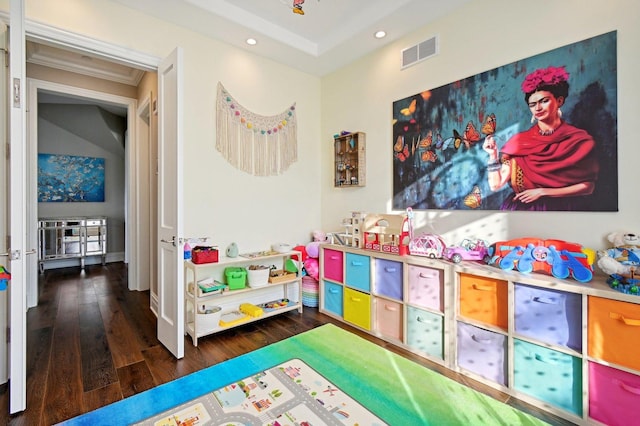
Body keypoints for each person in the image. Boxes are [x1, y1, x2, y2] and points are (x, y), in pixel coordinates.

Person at [482, 65, 599, 211]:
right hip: (521, 210)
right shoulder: (519, 142)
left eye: (544, 101)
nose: (537, 108)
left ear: (559, 101)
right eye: (532, 104)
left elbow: (588, 187)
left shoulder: (578, 140)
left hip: (563, 211)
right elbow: (496, 185)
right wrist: (492, 155)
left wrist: (543, 192)